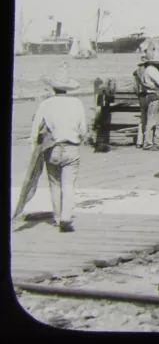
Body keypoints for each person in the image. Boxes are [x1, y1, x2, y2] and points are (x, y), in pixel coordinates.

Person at [27, 63, 89, 232]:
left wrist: (34, 147)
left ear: (53, 88)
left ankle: (56, 217)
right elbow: (83, 128)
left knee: (55, 184)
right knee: (69, 184)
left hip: (52, 148)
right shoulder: (77, 103)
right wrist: (80, 137)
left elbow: (35, 128)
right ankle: (66, 216)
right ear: (67, 88)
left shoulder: (46, 104)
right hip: (71, 147)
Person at [141, 42, 159, 150]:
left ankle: (156, 142)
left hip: (155, 96)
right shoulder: (152, 70)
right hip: (154, 96)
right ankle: (148, 143)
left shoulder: (150, 69)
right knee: (153, 121)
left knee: (157, 121)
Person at [132, 54, 148, 149]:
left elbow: (135, 87)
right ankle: (147, 140)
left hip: (141, 96)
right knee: (150, 118)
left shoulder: (137, 72)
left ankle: (140, 141)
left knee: (143, 118)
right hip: (148, 95)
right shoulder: (149, 71)